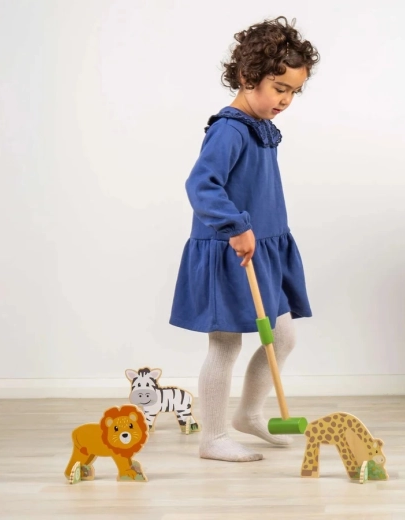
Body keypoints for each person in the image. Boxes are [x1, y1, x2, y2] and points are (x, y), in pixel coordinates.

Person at [170, 16, 319, 462]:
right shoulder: (230, 129)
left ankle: (249, 413)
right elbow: (201, 185)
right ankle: (212, 437)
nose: (285, 99)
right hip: (230, 252)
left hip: (265, 247)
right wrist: (235, 227)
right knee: (225, 343)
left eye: (293, 91)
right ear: (247, 76)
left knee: (282, 336)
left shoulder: (259, 127)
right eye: (279, 87)